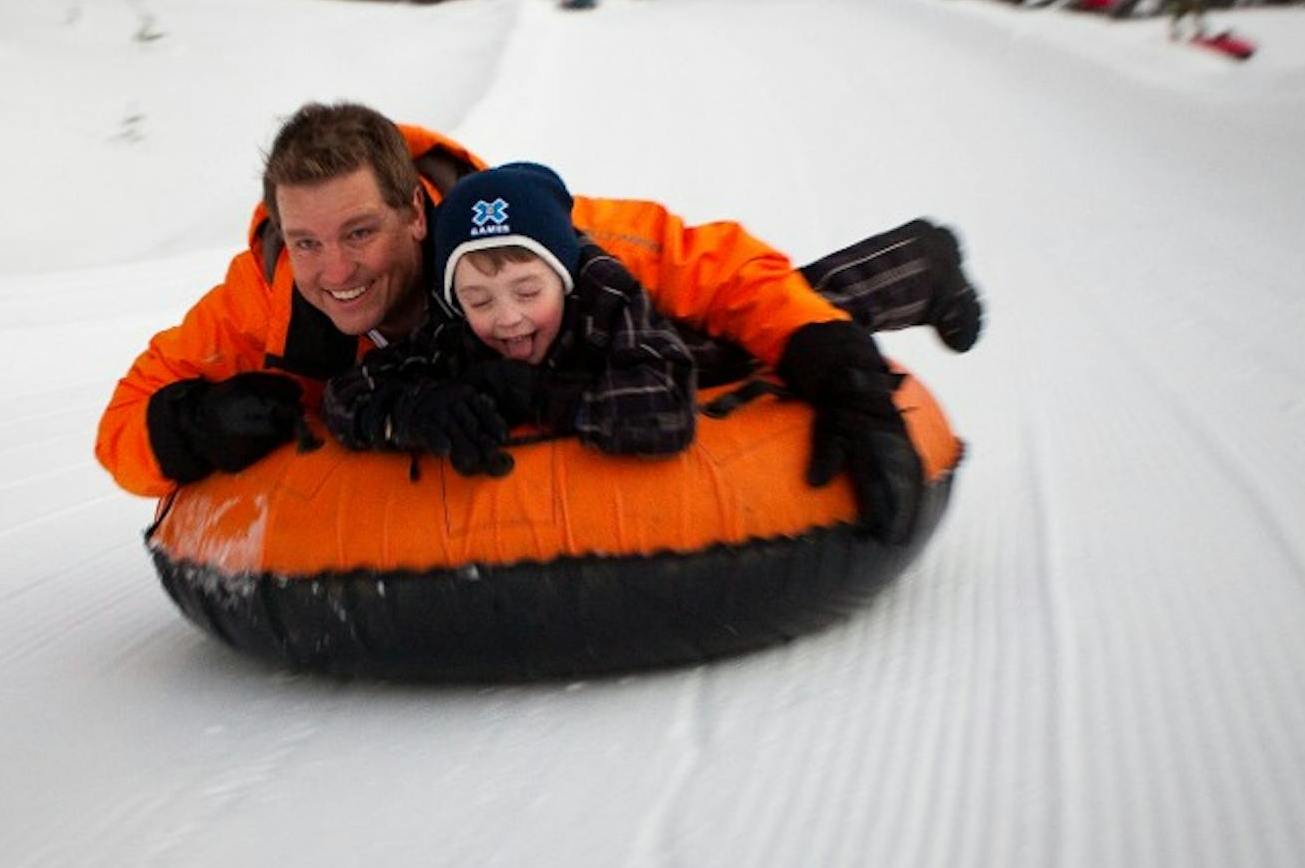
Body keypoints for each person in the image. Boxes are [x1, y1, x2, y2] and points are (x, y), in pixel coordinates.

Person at [94, 102, 981, 544]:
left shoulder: (505, 239)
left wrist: (841, 370)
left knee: (716, 341)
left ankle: (913, 267)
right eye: (308, 240)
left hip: (587, 344)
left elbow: (710, 264)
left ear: (413, 215)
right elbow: (123, 424)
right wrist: (188, 426)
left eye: (358, 233)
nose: (335, 271)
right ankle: (911, 267)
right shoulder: (268, 297)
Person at [322, 162, 699, 477]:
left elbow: (666, 403)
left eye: (528, 293)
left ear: (563, 277)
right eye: (480, 300)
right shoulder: (453, 327)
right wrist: (418, 409)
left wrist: (540, 395)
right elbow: (345, 395)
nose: (507, 318)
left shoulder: (605, 296)